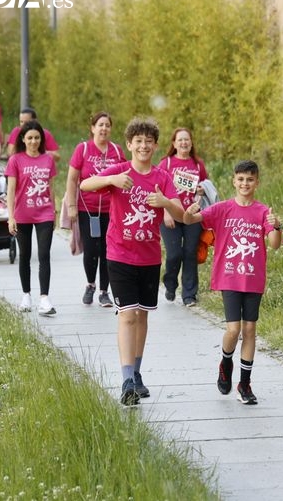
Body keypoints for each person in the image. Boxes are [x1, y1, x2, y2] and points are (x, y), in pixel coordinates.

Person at [79, 117, 183, 406]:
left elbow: (183, 214)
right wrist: (110, 180)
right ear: (129, 144)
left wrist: (166, 204)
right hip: (120, 253)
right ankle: (126, 380)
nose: (143, 146)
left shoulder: (162, 177)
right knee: (127, 315)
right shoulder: (120, 171)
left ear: (155, 145)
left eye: (148, 141)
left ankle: (136, 373)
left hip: (149, 257)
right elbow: (85, 184)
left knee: (142, 316)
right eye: (138, 141)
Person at [183, 160, 282, 405]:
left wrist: (276, 226)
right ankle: (226, 362)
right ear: (234, 181)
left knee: (249, 330)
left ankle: (244, 384)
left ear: (257, 183)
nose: (245, 184)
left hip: (253, 278)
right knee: (233, 330)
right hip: (229, 276)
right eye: (241, 179)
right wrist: (189, 211)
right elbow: (190, 220)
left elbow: (274, 244)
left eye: (250, 180)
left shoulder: (263, 211)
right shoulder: (222, 209)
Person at [66, 111, 126, 307]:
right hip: (87, 209)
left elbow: (125, 177)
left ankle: (104, 292)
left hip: (111, 209)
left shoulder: (116, 151)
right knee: (91, 249)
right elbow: (72, 179)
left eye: (107, 125)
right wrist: (72, 206)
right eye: (100, 125)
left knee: (108, 250)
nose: (104, 129)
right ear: (92, 128)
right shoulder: (83, 149)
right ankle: (91, 284)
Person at [5, 120, 58, 317]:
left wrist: (54, 212)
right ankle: (26, 295)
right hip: (22, 214)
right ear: (23, 139)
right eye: (30, 138)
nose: (34, 141)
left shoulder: (48, 159)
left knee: (44, 255)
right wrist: (11, 217)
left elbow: (51, 188)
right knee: (25, 255)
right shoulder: (15, 160)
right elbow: (11, 190)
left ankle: (44, 298)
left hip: (45, 212)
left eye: (37, 138)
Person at [157, 127, 209, 307]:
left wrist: (201, 191)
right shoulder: (166, 164)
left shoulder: (198, 164)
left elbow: (205, 187)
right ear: (174, 143)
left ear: (191, 143)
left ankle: (189, 295)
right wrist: (165, 212)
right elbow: (157, 190)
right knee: (174, 254)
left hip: (192, 215)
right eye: (180, 140)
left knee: (189, 253)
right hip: (171, 214)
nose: (184, 143)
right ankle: (170, 284)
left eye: (187, 139)